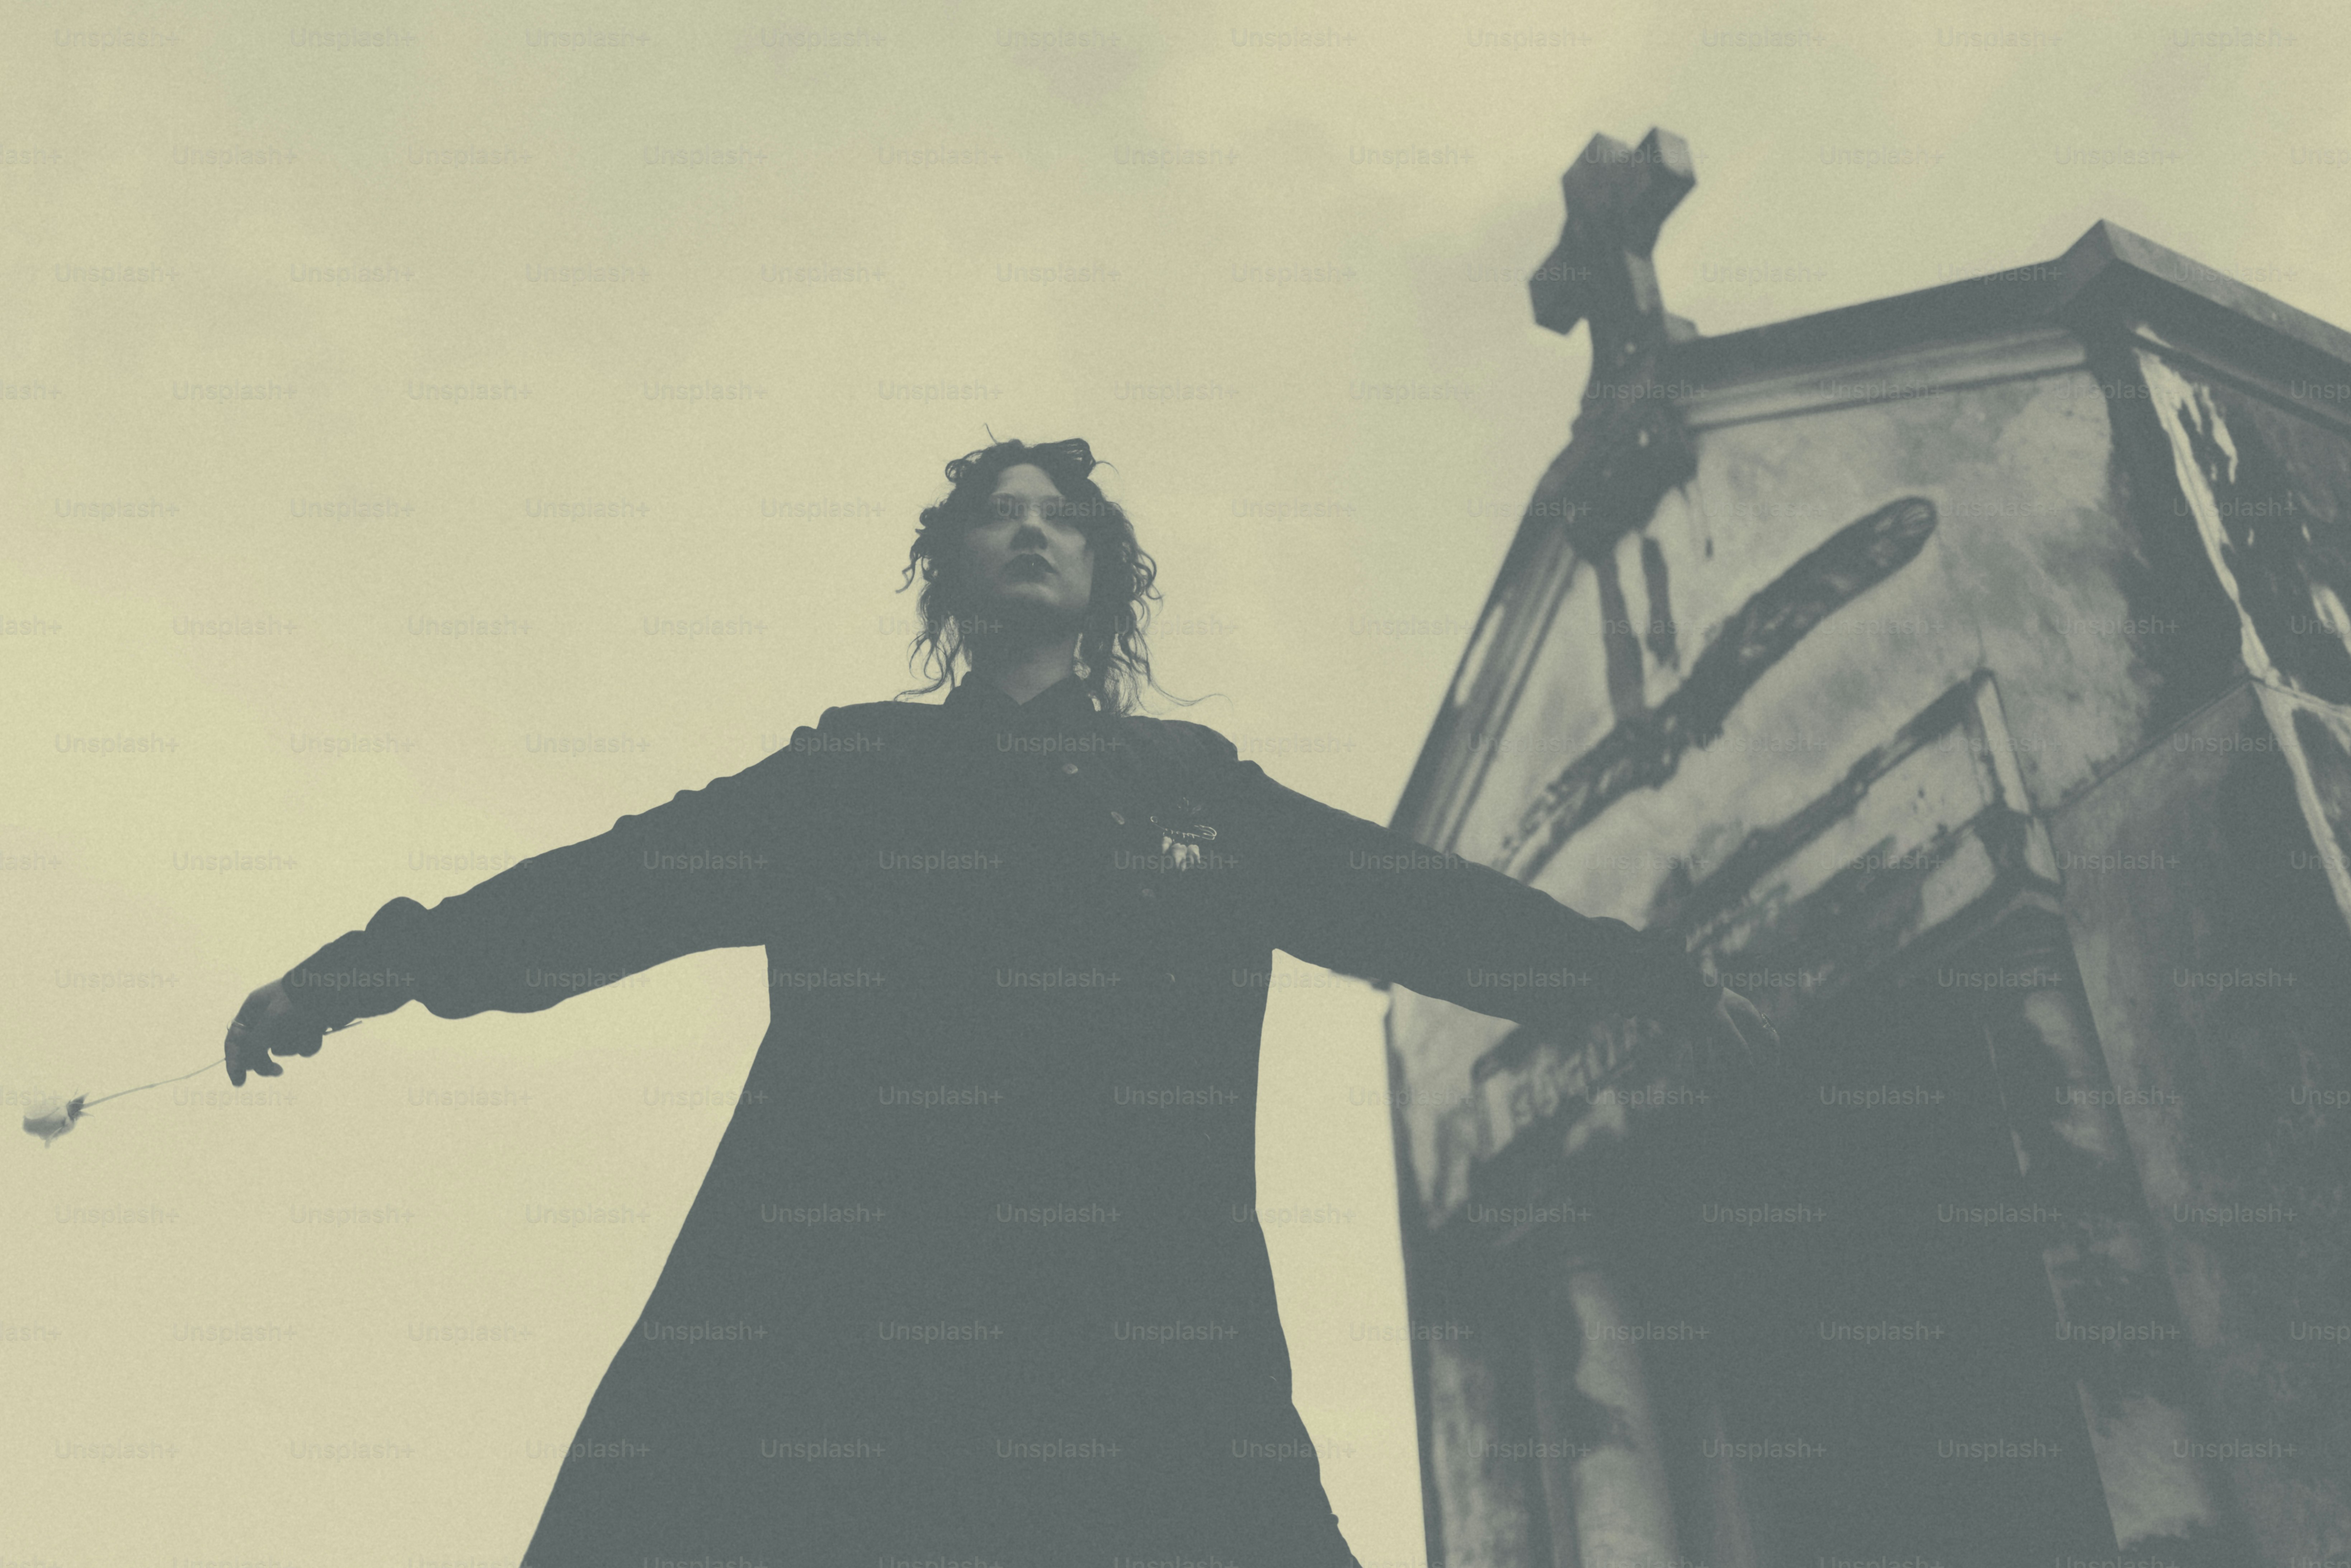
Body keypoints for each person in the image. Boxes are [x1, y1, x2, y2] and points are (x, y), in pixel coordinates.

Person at [225, 437, 1776, 1567]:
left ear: (1102, 577)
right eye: (996, 516)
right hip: (834, 1340)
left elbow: (1405, 901)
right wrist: (364, 970)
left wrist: (1635, 971)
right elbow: (616, 885)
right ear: (951, 571)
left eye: (1060, 518)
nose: (1028, 532)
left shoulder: (1194, 792)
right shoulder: (850, 776)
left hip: (1152, 1349)